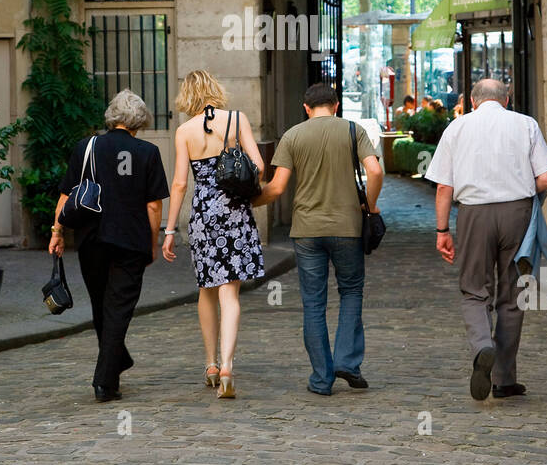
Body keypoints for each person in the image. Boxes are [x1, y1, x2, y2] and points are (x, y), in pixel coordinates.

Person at [425, 78, 547, 401]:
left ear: (472, 102)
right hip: (518, 214)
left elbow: (444, 187)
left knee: (474, 290)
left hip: (473, 215)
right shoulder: (526, 124)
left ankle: (483, 345)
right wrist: (520, 189)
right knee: (512, 296)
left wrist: (443, 231)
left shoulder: (457, 129)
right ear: (507, 99)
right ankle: (504, 378)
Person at [253, 83, 383, 395]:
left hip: (307, 230)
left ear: (306, 108)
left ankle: (321, 379)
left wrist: (248, 202)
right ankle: (347, 362)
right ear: (336, 105)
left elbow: (277, 188)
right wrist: (371, 205)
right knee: (351, 292)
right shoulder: (354, 131)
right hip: (347, 227)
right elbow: (375, 172)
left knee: (313, 303)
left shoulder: (294, 135)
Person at [51, 90, 169, 403]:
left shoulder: (86, 147)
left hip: (92, 239)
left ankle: (115, 363)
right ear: (140, 121)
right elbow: (154, 206)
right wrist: (152, 242)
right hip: (130, 242)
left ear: (111, 116)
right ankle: (105, 381)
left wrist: (57, 231)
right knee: (118, 308)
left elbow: (67, 196)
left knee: (102, 305)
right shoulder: (148, 152)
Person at [163, 69, 265, 399]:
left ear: (187, 96)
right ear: (214, 90)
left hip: (203, 214)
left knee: (206, 287)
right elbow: (259, 165)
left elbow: (179, 183)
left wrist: (169, 230)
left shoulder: (184, 132)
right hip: (233, 209)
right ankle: (228, 367)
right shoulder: (236, 120)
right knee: (229, 294)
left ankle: (209, 363)